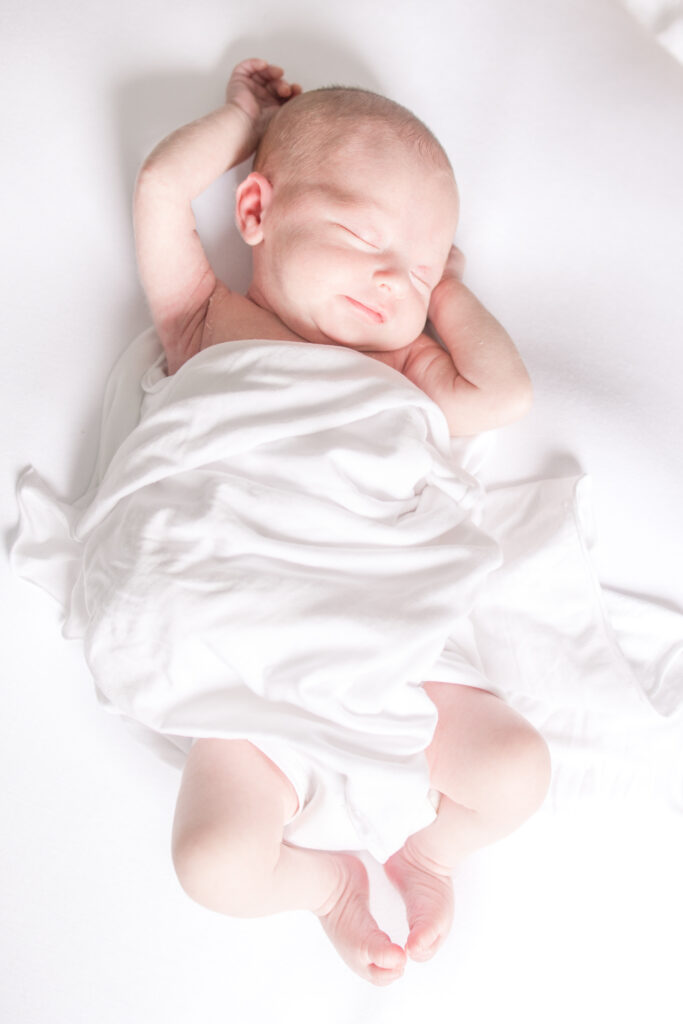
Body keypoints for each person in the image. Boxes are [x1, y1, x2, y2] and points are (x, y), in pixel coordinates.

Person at [133, 57, 551, 986]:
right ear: (255, 212)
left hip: (386, 641)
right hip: (244, 664)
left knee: (516, 770)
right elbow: (163, 187)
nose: (386, 275)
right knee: (212, 863)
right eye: (362, 236)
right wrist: (243, 118)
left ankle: (428, 855)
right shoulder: (205, 322)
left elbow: (503, 393)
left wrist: (439, 291)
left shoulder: (397, 371)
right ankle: (326, 889)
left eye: (415, 265)